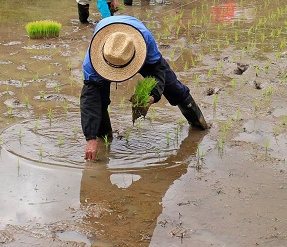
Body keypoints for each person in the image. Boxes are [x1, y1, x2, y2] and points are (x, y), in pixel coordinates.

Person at [80, 15, 209, 161]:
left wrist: (152, 95)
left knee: (173, 87)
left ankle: (199, 125)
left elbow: (158, 71)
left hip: (137, 45)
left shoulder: (145, 41)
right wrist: (90, 138)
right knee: (99, 100)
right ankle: (104, 137)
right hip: (108, 39)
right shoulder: (92, 63)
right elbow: (90, 101)